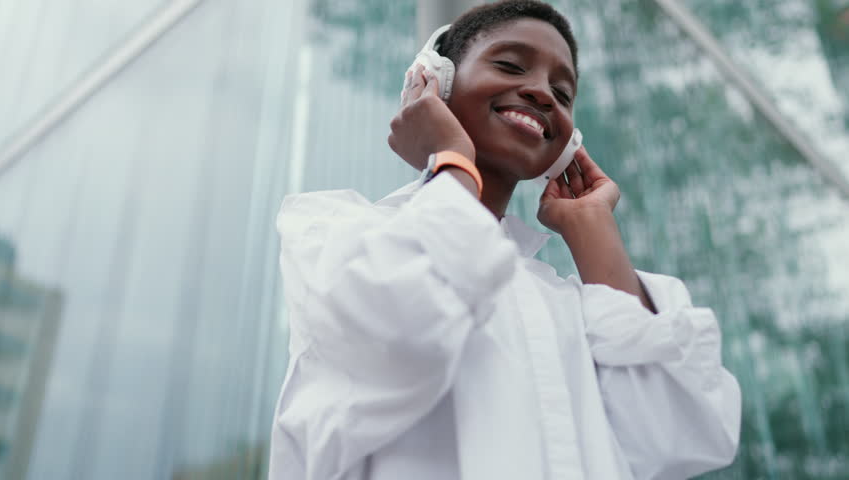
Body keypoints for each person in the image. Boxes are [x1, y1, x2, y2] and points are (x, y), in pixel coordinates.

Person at [268, 1, 741, 479]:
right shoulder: (333, 233)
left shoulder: (577, 307)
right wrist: (451, 159)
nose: (542, 93)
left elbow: (684, 436)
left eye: (563, 91)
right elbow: (406, 329)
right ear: (435, 83)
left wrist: (592, 229)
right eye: (511, 65)